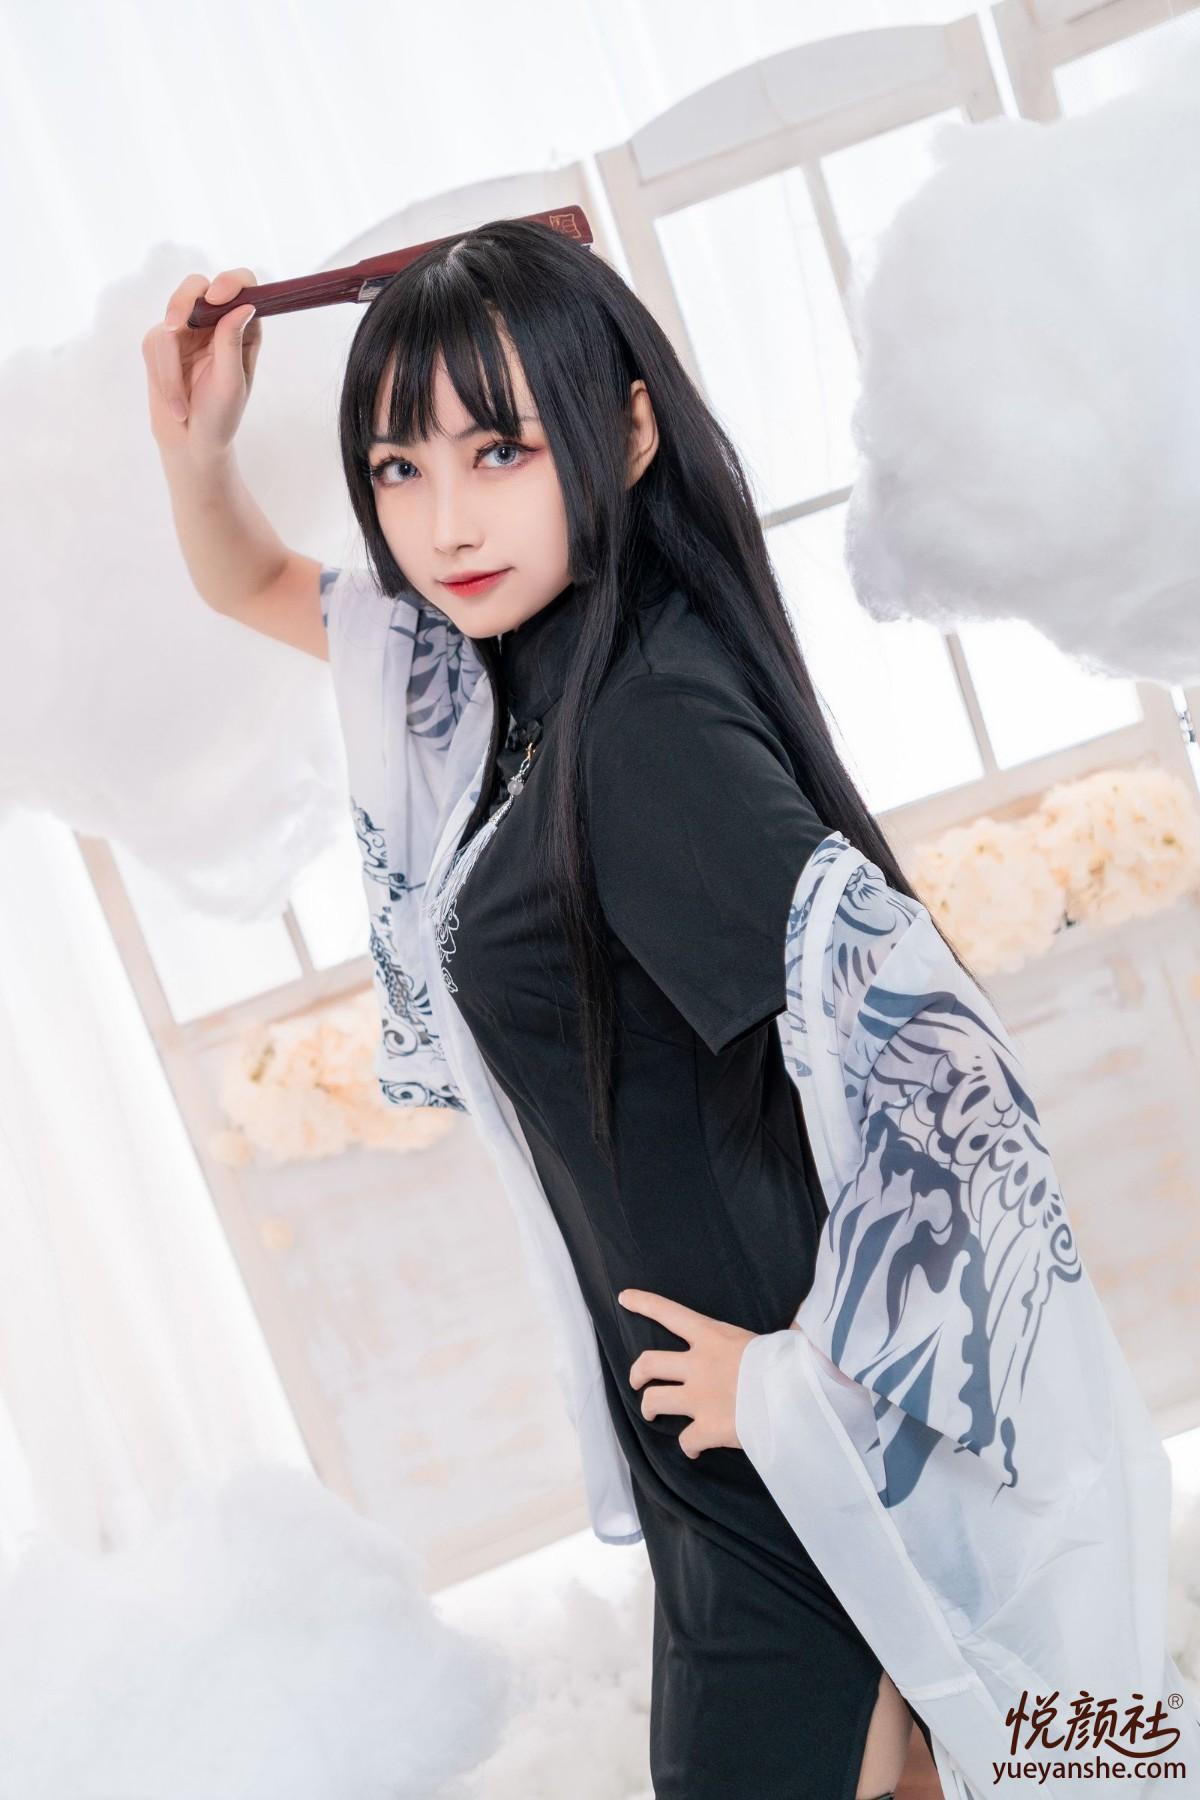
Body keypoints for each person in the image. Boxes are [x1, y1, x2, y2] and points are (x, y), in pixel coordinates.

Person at [140, 222, 1010, 1799]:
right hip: (723, 1449)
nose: (445, 521)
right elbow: (255, 583)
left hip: (789, 1450)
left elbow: (937, 1090)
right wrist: (197, 451)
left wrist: (801, 1388)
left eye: (500, 450)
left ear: (627, 430)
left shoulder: (645, 730)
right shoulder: (507, 670)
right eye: (399, 468)